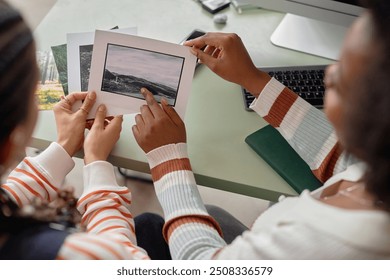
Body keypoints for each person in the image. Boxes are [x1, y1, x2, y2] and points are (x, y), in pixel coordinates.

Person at [131, 0, 390, 259]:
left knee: (144, 229)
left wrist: (168, 156)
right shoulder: (377, 171)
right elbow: (345, 160)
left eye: (342, 80)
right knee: (185, 218)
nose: (328, 74)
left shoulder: (319, 245)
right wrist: (254, 79)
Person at [0, 1, 172, 260]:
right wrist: (97, 163)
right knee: (152, 226)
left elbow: (7, 196)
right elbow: (122, 256)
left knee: (148, 223)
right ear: (12, 140)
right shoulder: (70, 257)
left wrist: (63, 146)